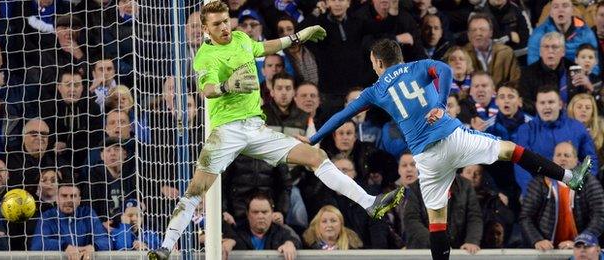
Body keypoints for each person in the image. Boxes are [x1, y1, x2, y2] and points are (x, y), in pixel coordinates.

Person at [147, 2, 402, 259]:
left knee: (316, 157)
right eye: (216, 24)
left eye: (225, 21)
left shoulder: (239, 38)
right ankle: (166, 246)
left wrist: (297, 37)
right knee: (196, 188)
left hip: (256, 128)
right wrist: (228, 85)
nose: (224, 27)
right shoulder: (205, 56)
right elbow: (208, 89)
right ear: (205, 28)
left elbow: (262, 47)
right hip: (226, 131)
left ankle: (370, 203)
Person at [307, 38, 593, 260]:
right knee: (510, 150)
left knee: (437, 219)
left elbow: (342, 116)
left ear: (379, 63)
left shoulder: (376, 89)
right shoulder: (418, 66)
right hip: (453, 137)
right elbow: (443, 69)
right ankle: (570, 178)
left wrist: (313, 139)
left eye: (372, 63)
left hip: (427, 157)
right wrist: (440, 105)